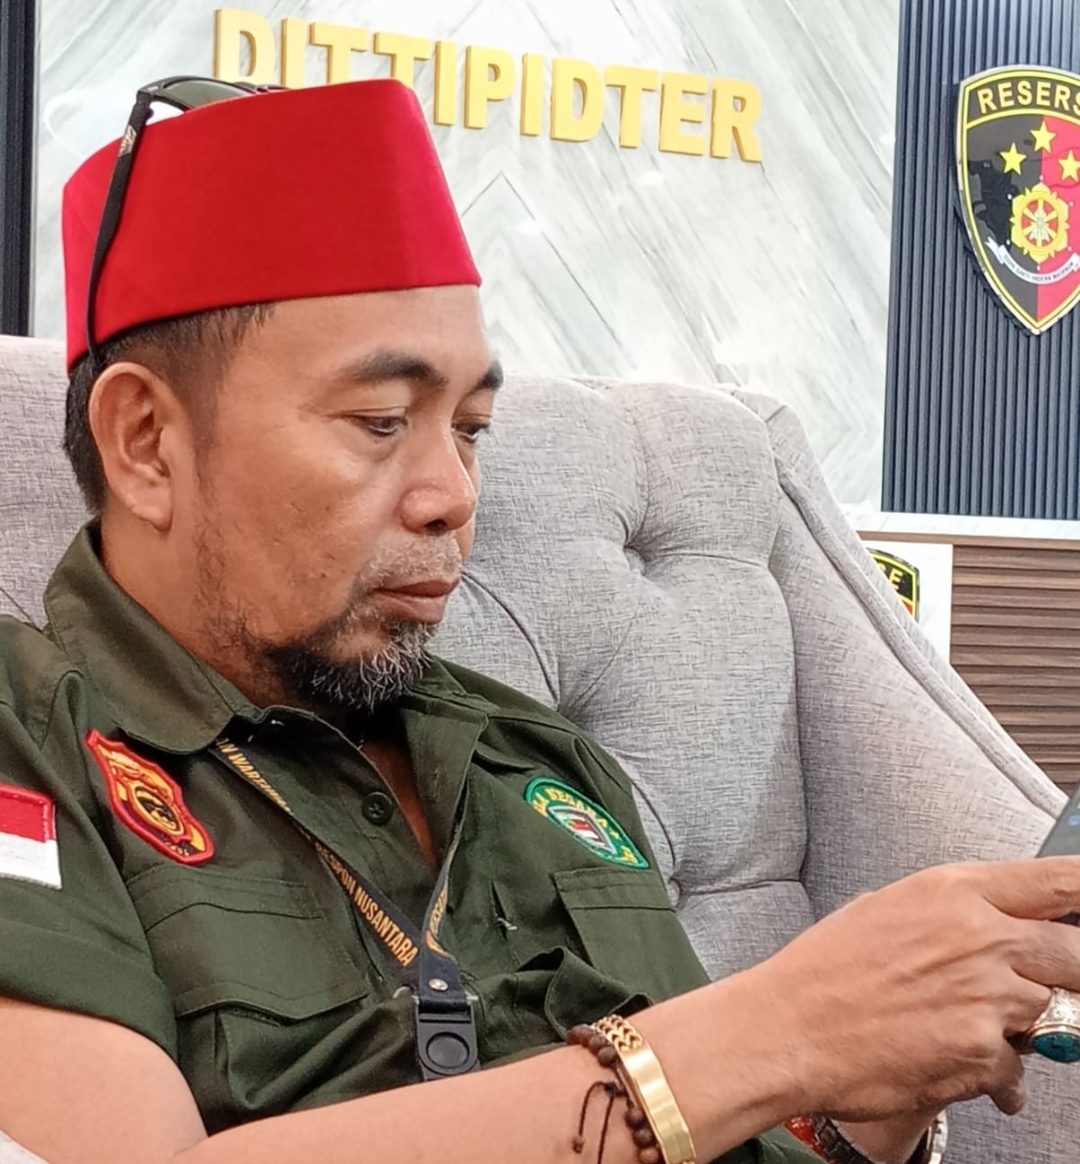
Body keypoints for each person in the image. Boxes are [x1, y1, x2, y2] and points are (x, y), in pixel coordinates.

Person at [0, 75, 1077, 1164]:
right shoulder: (31, 737)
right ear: (145, 443)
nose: (452, 495)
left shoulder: (537, 759)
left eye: (470, 428)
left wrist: (866, 1086)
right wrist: (780, 1030)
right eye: (381, 420)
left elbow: (731, 1121)